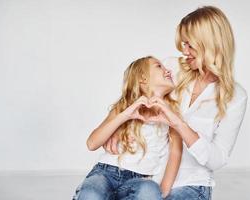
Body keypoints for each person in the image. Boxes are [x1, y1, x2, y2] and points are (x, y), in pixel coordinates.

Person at [104, 6, 248, 200]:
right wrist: (115, 128)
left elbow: (217, 159)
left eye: (189, 45)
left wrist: (180, 125)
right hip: (145, 178)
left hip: (191, 185)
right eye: (183, 44)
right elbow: (135, 94)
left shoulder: (235, 96)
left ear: (209, 44)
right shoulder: (172, 68)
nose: (184, 51)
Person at [72, 56, 183, 200]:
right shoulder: (124, 107)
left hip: (140, 179)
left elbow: (176, 152)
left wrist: (164, 190)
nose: (167, 70)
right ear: (143, 78)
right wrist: (125, 116)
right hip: (106, 172)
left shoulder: (172, 112)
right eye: (159, 66)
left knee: (150, 192)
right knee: (91, 194)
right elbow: (92, 143)